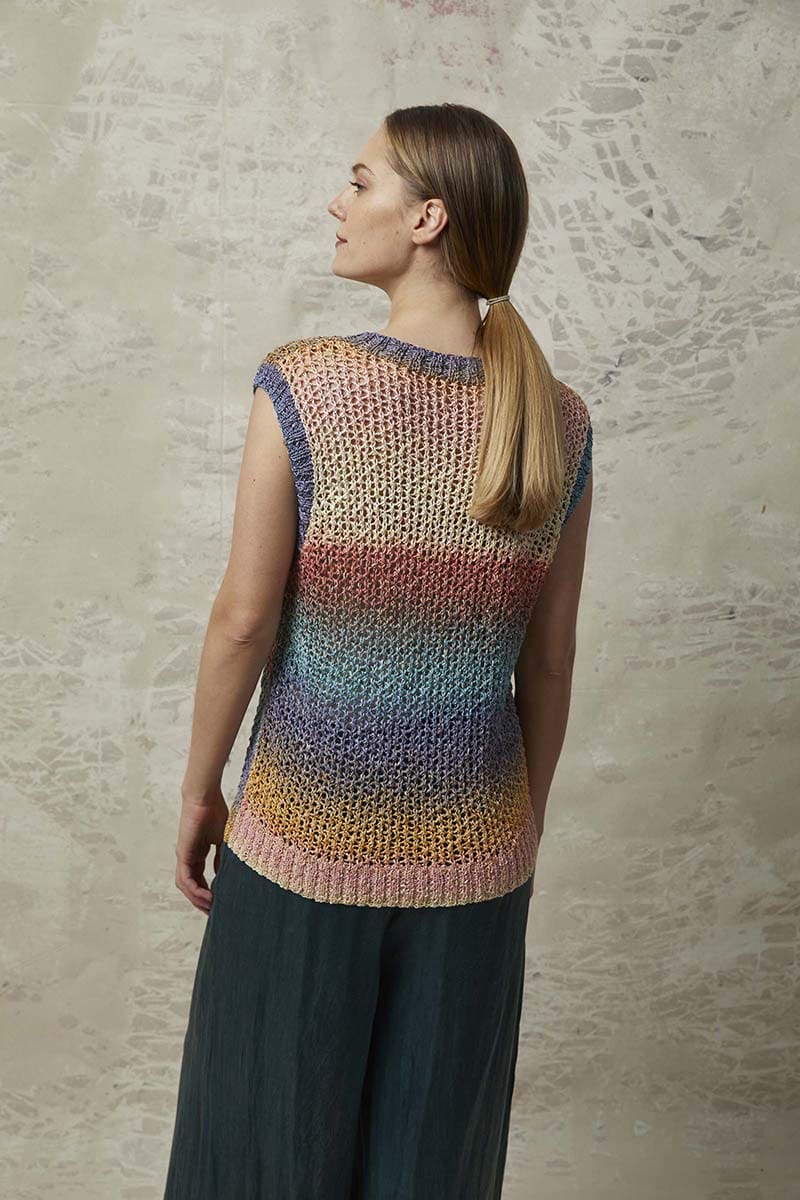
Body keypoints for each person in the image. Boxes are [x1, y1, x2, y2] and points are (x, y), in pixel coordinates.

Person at [163, 102, 593, 1200]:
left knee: (262, 1157)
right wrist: (519, 823)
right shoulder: (557, 420)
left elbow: (244, 621)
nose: (336, 202)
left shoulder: (306, 385)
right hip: (479, 859)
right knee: (431, 1168)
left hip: (303, 843)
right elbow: (547, 662)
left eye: (360, 182)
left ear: (427, 217)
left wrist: (201, 790)